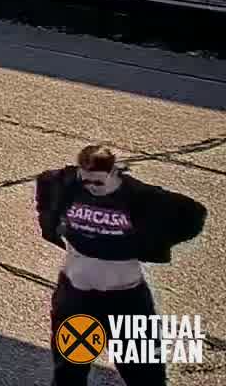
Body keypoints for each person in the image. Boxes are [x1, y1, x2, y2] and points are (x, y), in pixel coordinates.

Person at [36, 144, 206, 386]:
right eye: (86, 181)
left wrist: (143, 247)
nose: (91, 187)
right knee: (69, 377)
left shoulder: (138, 196)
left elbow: (194, 214)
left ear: (115, 173)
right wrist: (51, 226)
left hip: (126, 301)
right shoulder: (67, 185)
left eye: (98, 183)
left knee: (145, 377)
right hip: (76, 300)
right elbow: (44, 186)